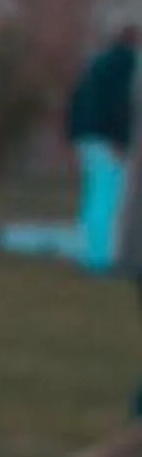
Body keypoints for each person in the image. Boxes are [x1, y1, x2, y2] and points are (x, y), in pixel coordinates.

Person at [67, 23, 137, 272]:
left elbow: (76, 99)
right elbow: (120, 103)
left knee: (92, 197)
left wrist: (74, 136)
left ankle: (87, 254)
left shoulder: (97, 63)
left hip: (88, 138)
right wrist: (120, 138)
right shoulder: (126, 64)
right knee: (107, 200)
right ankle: (100, 259)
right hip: (108, 140)